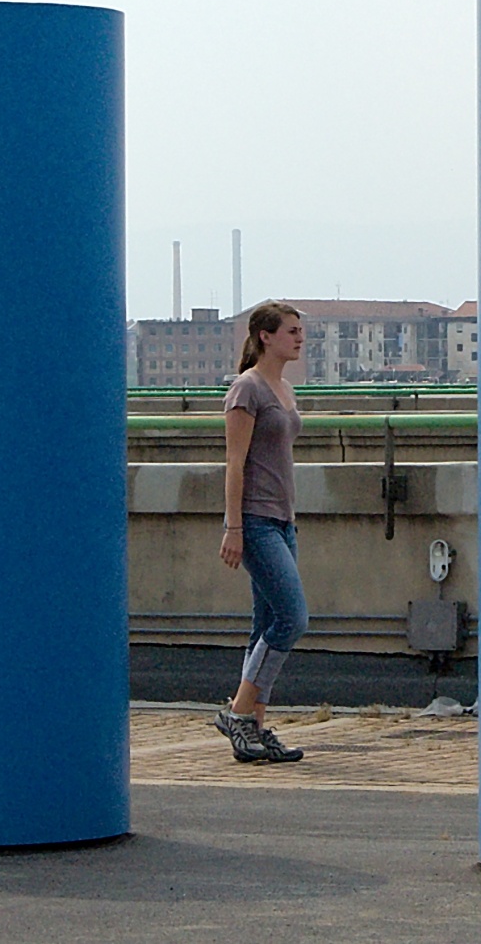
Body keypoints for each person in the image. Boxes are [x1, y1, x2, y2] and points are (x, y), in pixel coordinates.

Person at [213, 302, 309, 763]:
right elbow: (235, 463)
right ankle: (238, 713)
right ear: (265, 336)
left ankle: (254, 730)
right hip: (253, 520)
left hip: (283, 520)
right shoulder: (246, 389)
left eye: (301, 331)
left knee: (264, 626)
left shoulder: (285, 389)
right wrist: (233, 527)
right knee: (292, 618)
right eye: (291, 331)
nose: (300, 338)